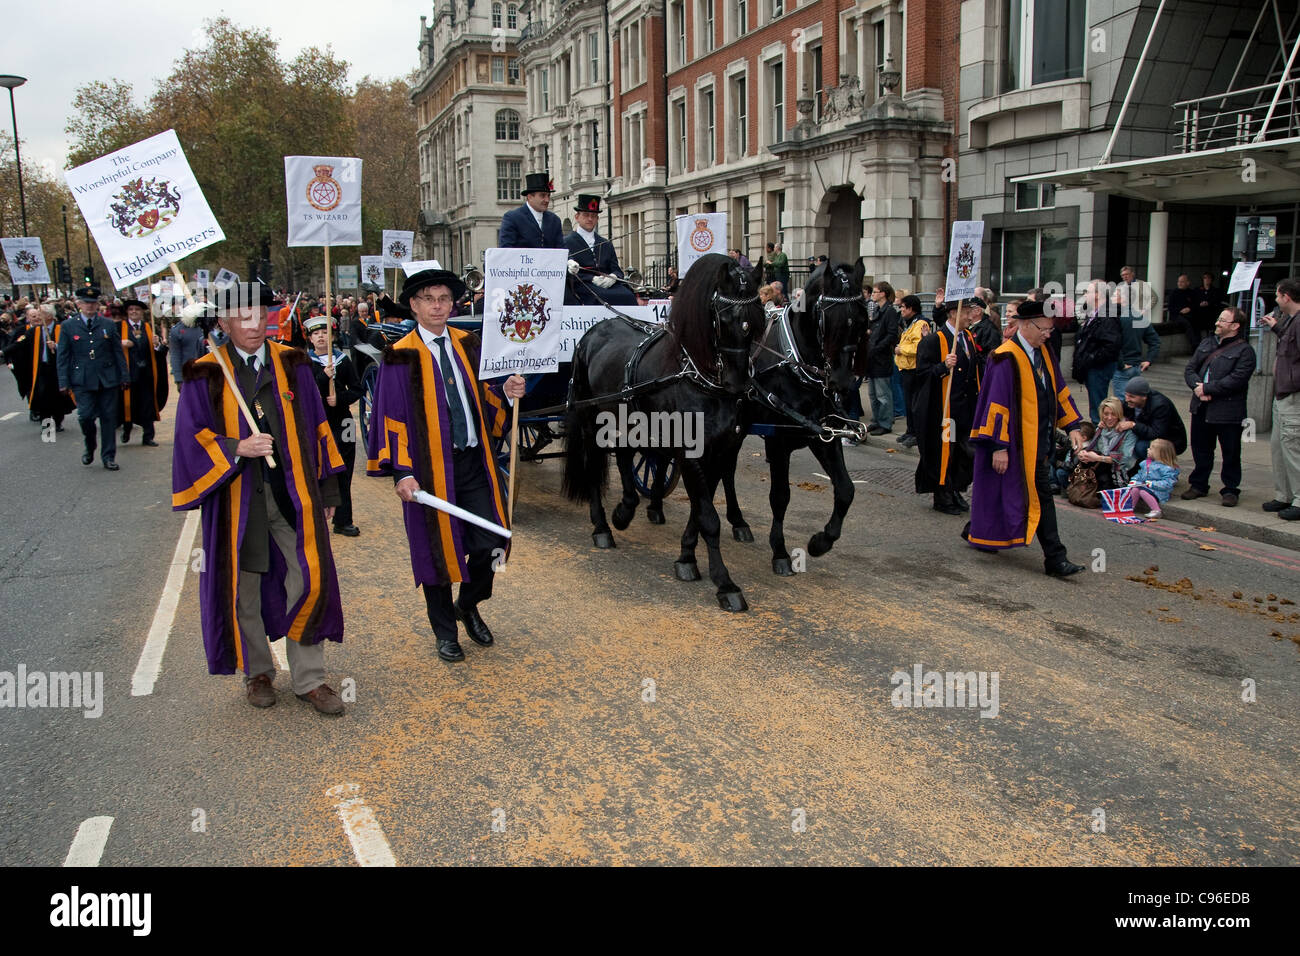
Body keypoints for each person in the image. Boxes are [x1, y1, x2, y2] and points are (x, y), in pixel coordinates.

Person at [171, 282, 347, 715]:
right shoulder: (206, 372)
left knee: (307, 579)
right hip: (238, 500)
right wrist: (236, 447)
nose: (254, 324)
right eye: (243, 317)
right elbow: (190, 440)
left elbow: (317, 430)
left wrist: (327, 491)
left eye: (260, 315)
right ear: (225, 323)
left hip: (294, 494)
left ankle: (310, 679)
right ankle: (259, 672)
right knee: (243, 588)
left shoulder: (295, 364)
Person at [366, 268, 527, 663]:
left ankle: (469, 603)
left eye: (443, 299)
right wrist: (402, 472)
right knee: (435, 552)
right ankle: (445, 631)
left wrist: (506, 393)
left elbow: (484, 395)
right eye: (428, 299)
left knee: (492, 541)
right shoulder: (399, 355)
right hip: (429, 470)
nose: (437, 306)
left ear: (452, 303)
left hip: (473, 461)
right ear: (415, 305)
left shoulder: (468, 343)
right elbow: (391, 415)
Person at [966, 305, 1087, 576]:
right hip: (1016, 445)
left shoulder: (1044, 352)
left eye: (1050, 329)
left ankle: (976, 529)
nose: (1048, 334)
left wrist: (1073, 426)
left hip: (1038, 442)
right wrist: (999, 447)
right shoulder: (1005, 358)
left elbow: (1058, 389)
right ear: (1026, 325)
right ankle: (1055, 558)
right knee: (1042, 496)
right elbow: (996, 405)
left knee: (1007, 491)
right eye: (1044, 329)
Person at [1179, 306, 1256, 506]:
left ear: (1235, 326)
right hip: (1201, 406)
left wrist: (1208, 389)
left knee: (1230, 450)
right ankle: (1199, 484)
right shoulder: (1207, 343)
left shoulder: (1245, 351)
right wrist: (1197, 388)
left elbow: (1237, 380)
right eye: (1218, 319)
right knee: (1201, 448)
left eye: (1223, 320)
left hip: (1228, 411)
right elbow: (1190, 369)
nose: (1217, 323)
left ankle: (1230, 489)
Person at [914, 296, 982, 514]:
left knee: (967, 454)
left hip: (966, 409)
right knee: (947, 453)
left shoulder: (968, 338)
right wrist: (943, 366)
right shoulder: (934, 340)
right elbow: (921, 375)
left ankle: (954, 489)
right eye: (967, 312)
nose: (971, 316)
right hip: (944, 411)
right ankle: (942, 496)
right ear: (953, 313)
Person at [305, 314, 364, 536]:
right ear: (310, 339)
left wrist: (339, 398)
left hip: (343, 422)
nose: (321, 337)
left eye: (325, 333)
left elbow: (357, 389)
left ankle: (342, 519)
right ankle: (316, 518)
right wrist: (322, 377)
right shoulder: (304, 364)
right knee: (317, 470)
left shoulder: (342, 360)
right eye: (316, 334)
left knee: (344, 470)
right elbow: (303, 393)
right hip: (318, 423)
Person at [57, 287, 127, 470]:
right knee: (85, 416)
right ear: (79, 304)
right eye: (86, 303)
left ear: (98, 304)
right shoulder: (68, 326)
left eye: (93, 303)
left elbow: (118, 353)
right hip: (82, 379)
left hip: (108, 378)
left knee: (108, 419)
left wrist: (124, 376)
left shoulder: (108, 324)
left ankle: (108, 456)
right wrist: (63, 381)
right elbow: (63, 356)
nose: (90, 306)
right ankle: (90, 445)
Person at [1259, 276, 1300, 520]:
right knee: (1280, 447)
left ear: (1286, 296)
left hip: (1294, 396)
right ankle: (1284, 495)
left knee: (1293, 448)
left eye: (1276, 295)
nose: (1275, 299)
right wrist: (1276, 327)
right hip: (1282, 393)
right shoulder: (1292, 321)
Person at [2, 303, 74, 431]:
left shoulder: (61, 329)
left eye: (41, 314)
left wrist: (56, 346)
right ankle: (46, 425)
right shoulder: (33, 331)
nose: (38, 317)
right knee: (43, 397)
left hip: (57, 369)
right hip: (41, 369)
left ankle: (57, 421)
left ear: (49, 316)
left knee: (58, 397)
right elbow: (19, 343)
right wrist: (3, 352)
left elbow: (72, 346)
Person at [564, 195, 638, 306]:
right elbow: (567, 272)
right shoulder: (566, 242)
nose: (590, 219)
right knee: (601, 297)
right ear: (577, 217)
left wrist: (613, 277)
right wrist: (592, 278)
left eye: (593, 216)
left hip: (608, 284)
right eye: (586, 215)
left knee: (628, 296)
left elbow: (616, 269)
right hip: (583, 285)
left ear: (597, 219)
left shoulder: (605, 243)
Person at [116, 299, 167, 447]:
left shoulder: (149, 327)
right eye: (131, 309)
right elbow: (108, 346)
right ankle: (126, 429)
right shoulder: (119, 328)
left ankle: (148, 436)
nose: (134, 312)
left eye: (137, 310)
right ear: (127, 312)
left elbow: (160, 353)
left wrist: (157, 345)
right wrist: (121, 343)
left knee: (147, 405)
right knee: (128, 404)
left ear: (142, 312)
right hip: (128, 374)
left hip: (146, 374)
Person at [1071, 279, 1123, 423]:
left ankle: (1100, 434)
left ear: (1097, 294)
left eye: (1087, 291)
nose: (1085, 295)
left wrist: (1090, 358)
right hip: (1093, 367)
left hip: (1098, 368)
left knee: (1098, 407)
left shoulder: (1107, 316)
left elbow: (1111, 346)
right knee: (1096, 405)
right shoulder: (1095, 315)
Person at [1111, 265, 1161, 397]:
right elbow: (1155, 341)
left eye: (1115, 296)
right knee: (1135, 401)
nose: (1124, 277)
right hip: (1135, 365)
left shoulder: (1117, 319)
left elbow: (1113, 343)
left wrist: (1144, 309)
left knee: (1124, 402)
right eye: (1122, 276)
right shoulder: (1121, 287)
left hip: (1126, 365)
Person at [1118, 376, 1187, 465]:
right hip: (1146, 434)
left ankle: (1156, 469)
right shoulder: (1130, 401)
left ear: (1144, 397)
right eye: (1126, 394)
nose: (1127, 399)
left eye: (1131, 396)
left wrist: (1133, 425)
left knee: (1140, 447)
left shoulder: (1160, 405)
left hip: (1170, 441)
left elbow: (1157, 433)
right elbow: (1117, 410)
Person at [1076, 397, 1136, 492]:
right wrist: (1084, 454)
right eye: (1106, 414)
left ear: (1119, 414)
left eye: (1113, 414)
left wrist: (1098, 458)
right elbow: (1094, 448)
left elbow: (1125, 458)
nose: (1109, 418)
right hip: (1102, 468)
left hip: (1120, 472)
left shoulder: (1128, 432)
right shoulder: (1101, 428)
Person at [894, 294, 930, 448]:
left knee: (914, 403)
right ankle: (910, 430)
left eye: (903, 307)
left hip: (914, 369)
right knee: (909, 403)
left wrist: (901, 350)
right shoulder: (910, 323)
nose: (901, 310)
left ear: (911, 308)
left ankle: (916, 433)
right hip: (906, 369)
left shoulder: (920, 323)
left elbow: (919, 346)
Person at [866, 281, 901, 436]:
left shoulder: (890, 312)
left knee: (883, 394)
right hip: (872, 358)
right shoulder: (878, 311)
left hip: (881, 357)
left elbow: (891, 334)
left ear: (883, 293)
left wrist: (878, 346)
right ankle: (876, 420)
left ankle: (885, 422)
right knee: (873, 394)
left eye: (875, 292)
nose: (873, 294)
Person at [498, 172, 564, 248]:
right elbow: (506, 248)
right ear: (529, 197)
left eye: (548, 195)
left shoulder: (554, 220)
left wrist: (570, 260)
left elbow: (561, 248)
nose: (547, 200)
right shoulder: (512, 218)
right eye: (542, 195)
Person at [1129, 439, 1181, 518]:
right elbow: (1140, 474)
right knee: (1135, 489)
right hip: (1146, 486)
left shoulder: (1167, 468)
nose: (1147, 449)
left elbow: (1168, 483)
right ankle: (1130, 508)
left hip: (1159, 491)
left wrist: (1152, 484)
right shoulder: (1146, 463)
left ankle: (1156, 510)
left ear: (1159, 453)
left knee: (1143, 492)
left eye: (1150, 448)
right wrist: (1134, 480)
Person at [169, 306, 208, 393]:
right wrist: (178, 379)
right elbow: (175, 355)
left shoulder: (207, 326)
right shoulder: (177, 331)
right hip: (189, 375)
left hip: (208, 372)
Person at [1167, 273, 1200, 352]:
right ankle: (1194, 346)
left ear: (1187, 283)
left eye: (1182, 282)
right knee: (1186, 323)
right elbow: (1170, 307)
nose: (1180, 283)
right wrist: (1180, 310)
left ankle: (1199, 345)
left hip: (1189, 314)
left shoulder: (1192, 293)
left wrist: (1189, 308)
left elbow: (1196, 304)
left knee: (1196, 323)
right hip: (1176, 315)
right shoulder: (1174, 293)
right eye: (1179, 282)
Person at [1192, 273, 1225, 343]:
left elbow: (1217, 301)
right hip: (1199, 314)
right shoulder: (1197, 290)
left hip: (1211, 314)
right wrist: (1199, 304)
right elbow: (1193, 301)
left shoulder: (1215, 291)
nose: (1206, 280)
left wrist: (1209, 303)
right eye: (1205, 278)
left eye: (1208, 278)